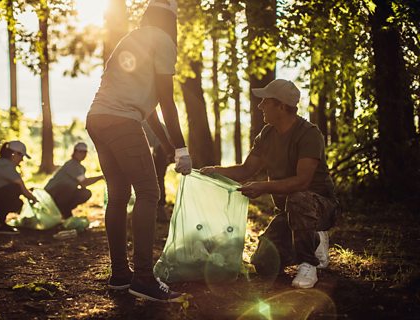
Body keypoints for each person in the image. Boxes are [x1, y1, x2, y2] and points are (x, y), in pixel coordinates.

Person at [86, 0, 192, 302]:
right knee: (148, 192)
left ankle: (120, 275)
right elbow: (166, 100)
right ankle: (144, 278)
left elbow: (151, 111)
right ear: (171, 20)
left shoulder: (132, 38)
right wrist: (183, 149)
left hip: (97, 119)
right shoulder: (164, 40)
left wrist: (169, 145)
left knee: (118, 195)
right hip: (121, 121)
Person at [200, 79, 338, 289]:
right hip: (288, 212)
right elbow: (246, 170)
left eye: (265, 101)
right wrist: (215, 171)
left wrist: (262, 187)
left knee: (298, 198)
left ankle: (308, 263)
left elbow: (302, 182)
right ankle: (314, 240)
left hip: (320, 207)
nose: (260, 105)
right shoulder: (266, 134)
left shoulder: (309, 134)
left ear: (281, 106)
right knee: (263, 263)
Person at [45, 142, 104, 219]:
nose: (83, 154)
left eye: (85, 152)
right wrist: (101, 177)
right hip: (53, 194)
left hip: (60, 193)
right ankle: (63, 211)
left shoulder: (78, 166)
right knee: (68, 188)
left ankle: (65, 210)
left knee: (83, 192)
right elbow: (84, 182)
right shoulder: (72, 164)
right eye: (80, 151)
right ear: (75, 152)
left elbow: (82, 184)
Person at [142, 122, 172, 222]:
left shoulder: (141, 120)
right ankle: (158, 208)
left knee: (158, 178)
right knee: (158, 178)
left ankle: (159, 208)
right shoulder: (142, 119)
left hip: (161, 149)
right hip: (161, 149)